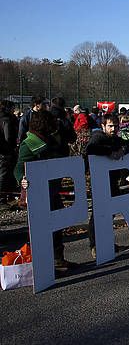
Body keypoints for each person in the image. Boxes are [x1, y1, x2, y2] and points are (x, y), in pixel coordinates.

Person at [15, 110, 77, 271]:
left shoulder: (50, 140)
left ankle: (58, 259)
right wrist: (22, 179)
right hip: (39, 193)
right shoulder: (29, 144)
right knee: (43, 230)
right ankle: (43, 265)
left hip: (52, 189)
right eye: (53, 121)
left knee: (57, 225)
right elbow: (19, 168)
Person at [85, 113, 129, 258]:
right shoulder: (99, 137)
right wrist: (110, 152)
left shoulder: (115, 139)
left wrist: (122, 150)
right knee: (98, 214)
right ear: (103, 126)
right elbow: (91, 148)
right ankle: (95, 245)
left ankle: (106, 242)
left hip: (112, 181)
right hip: (99, 182)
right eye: (110, 126)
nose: (113, 129)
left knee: (110, 212)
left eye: (115, 126)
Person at [0, 100, 19, 203]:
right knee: (4, 173)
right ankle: (3, 196)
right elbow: (8, 137)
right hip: (6, 151)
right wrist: (11, 148)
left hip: (4, 150)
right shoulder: (7, 120)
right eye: (12, 108)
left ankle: (7, 194)